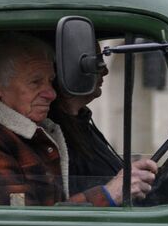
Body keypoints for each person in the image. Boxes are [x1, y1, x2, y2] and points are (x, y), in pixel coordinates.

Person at [0, 34, 156, 207]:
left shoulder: (29, 130)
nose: (51, 93)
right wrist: (108, 194)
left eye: (50, 81)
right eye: (35, 82)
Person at [47, 59, 123, 198]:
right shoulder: (50, 134)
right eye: (95, 62)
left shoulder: (82, 123)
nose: (105, 71)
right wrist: (110, 194)